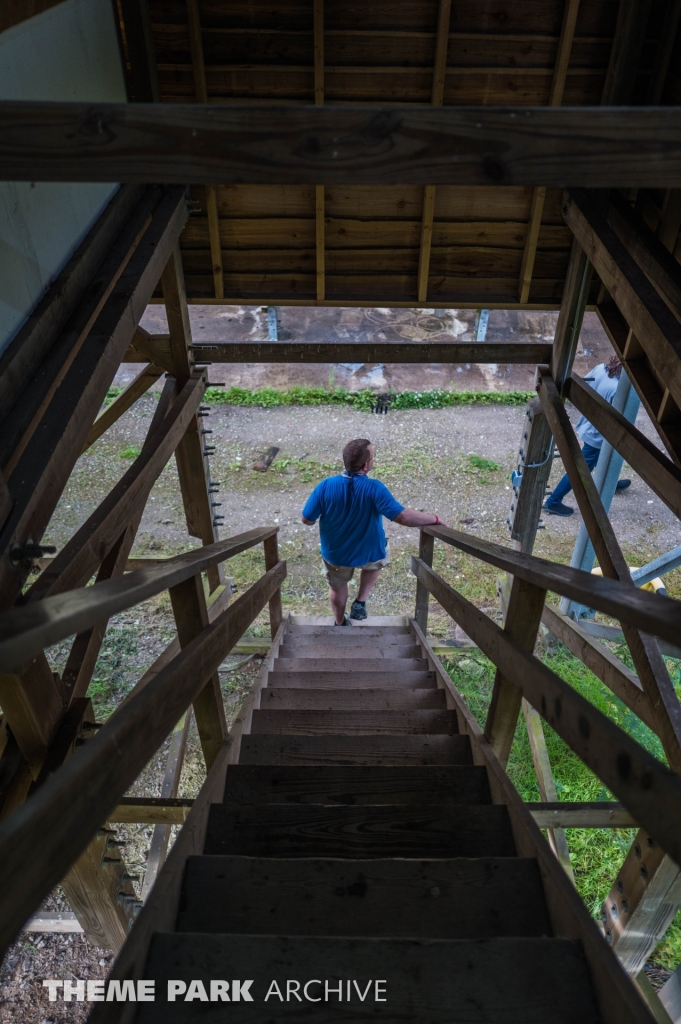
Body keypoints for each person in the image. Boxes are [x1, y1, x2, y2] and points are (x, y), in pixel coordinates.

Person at [301, 437, 446, 626]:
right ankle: (360, 601)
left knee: (338, 586)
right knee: (377, 560)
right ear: (365, 467)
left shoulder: (325, 486)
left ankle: (339, 623)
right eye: (372, 458)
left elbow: (307, 519)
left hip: (336, 553)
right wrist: (435, 519)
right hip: (369, 550)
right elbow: (403, 517)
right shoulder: (374, 488)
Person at [543, 355, 631, 517]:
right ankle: (553, 502)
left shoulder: (600, 368)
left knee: (604, 457)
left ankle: (611, 483)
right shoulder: (617, 389)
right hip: (598, 435)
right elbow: (617, 418)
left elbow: (584, 387)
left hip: (588, 424)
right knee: (580, 469)